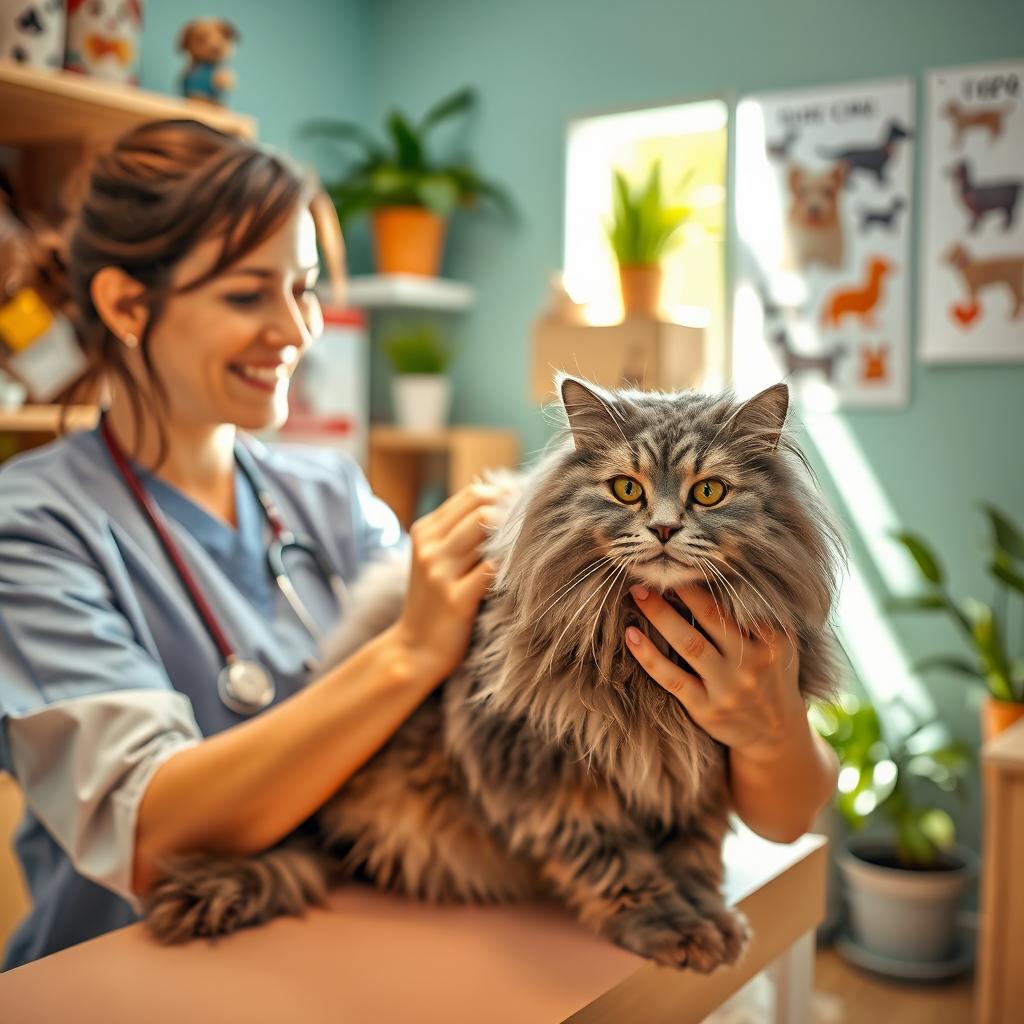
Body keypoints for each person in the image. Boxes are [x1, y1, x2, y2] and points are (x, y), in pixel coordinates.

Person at [0, 119, 837, 972]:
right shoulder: (30, 527)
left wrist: (758, 722)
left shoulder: (325, 493)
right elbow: (147, 835)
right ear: (126, 304)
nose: (297, 330)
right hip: (114, 969)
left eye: (307, 288)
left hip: (340, 946)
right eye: (249, 295)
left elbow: (776, 810)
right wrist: (408, 651)